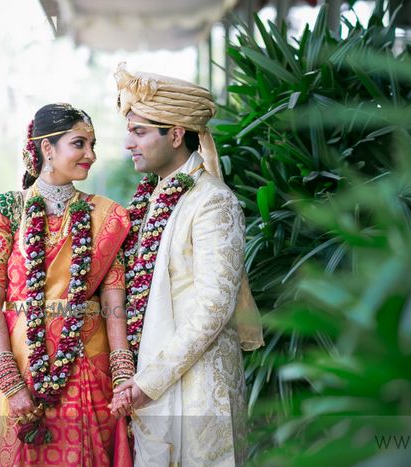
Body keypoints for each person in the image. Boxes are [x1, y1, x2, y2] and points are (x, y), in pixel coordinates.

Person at [109, 63, 264, 466]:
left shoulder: (212, 201)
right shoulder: (151, 199)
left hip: (197, 387)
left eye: (139, 131)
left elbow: (214, 308)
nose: (129, 142)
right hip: (150, 382)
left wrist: (150, 381)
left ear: (176, 134)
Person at [0, 103, 134, 466]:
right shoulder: (7, 209)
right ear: (47, 148)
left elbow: (114, 303)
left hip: (86, 367)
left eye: (93, 144)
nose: (90, 155)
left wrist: (123, 372)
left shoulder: (107, 216)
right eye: (79, 143)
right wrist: (11, 382)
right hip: (20, 364)